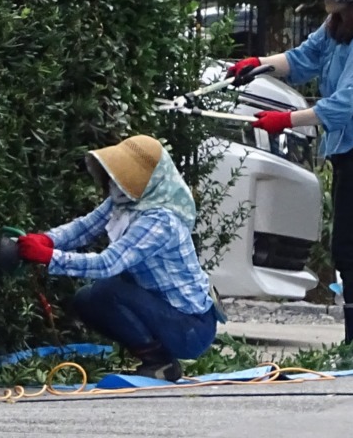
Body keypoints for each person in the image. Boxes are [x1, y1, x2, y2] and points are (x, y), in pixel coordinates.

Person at [226, 0, 353, 363]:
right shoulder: (335, 24)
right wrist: (257, 64)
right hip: (347, 152)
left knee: (349, 251)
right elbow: (303, 60)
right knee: (346, 250)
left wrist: (284, 120)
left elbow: (342, 106)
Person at [16, 134, 219, 382]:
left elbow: (106, 264)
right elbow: (84, 228)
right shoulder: (127, 202)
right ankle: (155, 358)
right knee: (86, 300)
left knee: (108, 290)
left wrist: (48, 257)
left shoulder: (159, 220)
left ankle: (161, 364)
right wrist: (45, 240)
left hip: (190, 327)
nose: (114, 181)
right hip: (165, 311)